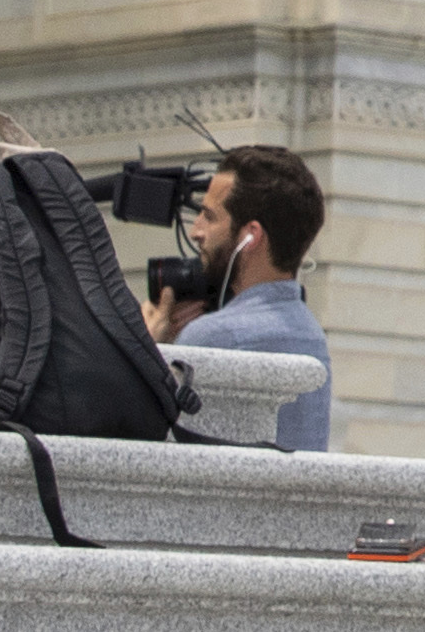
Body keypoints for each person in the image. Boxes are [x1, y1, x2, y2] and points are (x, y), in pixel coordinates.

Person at [140, 142, 332, 453]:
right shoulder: (310, 335)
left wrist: (150, 353)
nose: (196, 231)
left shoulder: (216, 335)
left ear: (250, 236)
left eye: (209, 216)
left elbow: (155, 454)